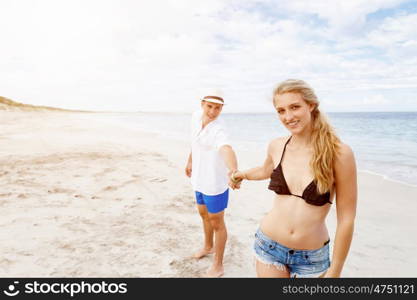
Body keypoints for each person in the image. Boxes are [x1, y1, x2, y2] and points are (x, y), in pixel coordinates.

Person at [231, 79, 357, 278]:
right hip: (269, 246)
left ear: (311, 105)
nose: (288, 117)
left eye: (294, 107)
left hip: (312, 258)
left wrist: (336, 270)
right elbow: (265, 170)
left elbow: (347, 218)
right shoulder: (277, 145)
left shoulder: (339, 154)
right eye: (281, 111)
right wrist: (241, 175)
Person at [185, 90, 240, 278]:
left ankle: (218, 264)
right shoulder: (195, 116)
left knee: (217, 222)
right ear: (202, 104)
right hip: (198, 178)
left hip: (215, 183)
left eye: (217, 108)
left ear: (221, 109)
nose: (213, 111)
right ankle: (208, 246)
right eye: (210, 106)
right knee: (203, 214)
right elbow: (194, 141)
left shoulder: (219, 129)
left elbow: (226, 148)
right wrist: (190, 161)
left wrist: (233, 170)